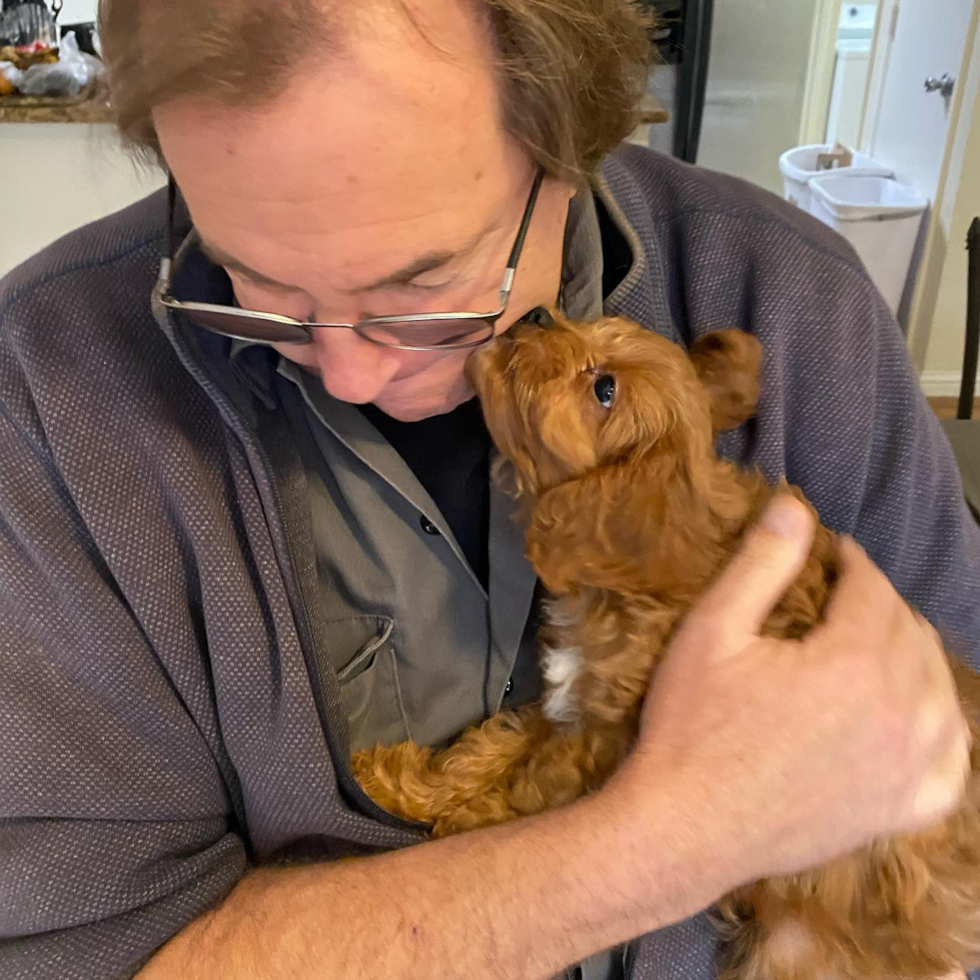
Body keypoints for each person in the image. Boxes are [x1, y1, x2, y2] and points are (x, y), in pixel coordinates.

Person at [0, 1, 977, 978]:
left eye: (424, 288)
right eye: (253, 283)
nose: (344, 373)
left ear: (570, 150)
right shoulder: (43, 401)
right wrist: (669, 839)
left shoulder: (799, 307)